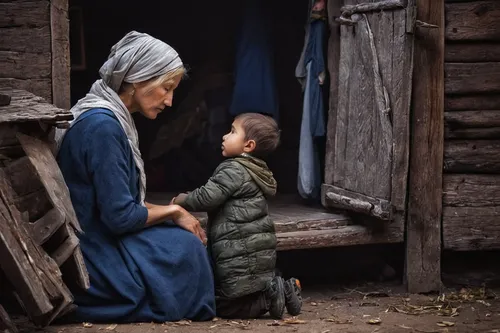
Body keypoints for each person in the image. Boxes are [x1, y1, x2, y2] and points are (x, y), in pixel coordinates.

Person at [55, 31, 215, 323]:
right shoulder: (102, 128)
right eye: (166, 88)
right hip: (92, 251)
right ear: (138, 78)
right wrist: (174, 211)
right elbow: (120, 218)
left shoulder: (106, 120)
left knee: (183, 240)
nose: (169, 101)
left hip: (99, 232)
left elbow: (121, 204)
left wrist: (172, 213)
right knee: (187, 247)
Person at [172, 113, 302, 319]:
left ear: (248, 146)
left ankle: (270, 297)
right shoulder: (257, 170)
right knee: (245, 293)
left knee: (227, 307)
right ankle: (283, 289)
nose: (224, 136)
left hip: (237, 246)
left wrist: (180, 200)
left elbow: (207, 197)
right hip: (252, 245)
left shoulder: (233, 169)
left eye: (232, 131)